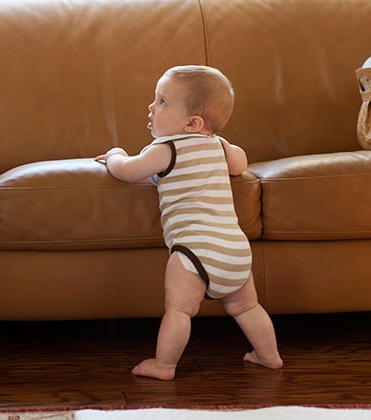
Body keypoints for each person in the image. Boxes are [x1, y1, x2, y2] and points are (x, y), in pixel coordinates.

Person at [95, 65, 283, 380]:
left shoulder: (165, 149)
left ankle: (164, 365)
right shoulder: (221, 146)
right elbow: (240, 164)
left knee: (179, 311)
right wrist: (226, 149)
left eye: (162, 101)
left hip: (193, 250)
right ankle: (269, 356)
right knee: (248, 308)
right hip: (234, 248)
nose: (151, 107)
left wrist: (114, 154)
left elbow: (127, 170)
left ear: (192, 123)